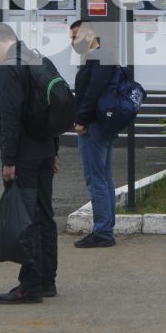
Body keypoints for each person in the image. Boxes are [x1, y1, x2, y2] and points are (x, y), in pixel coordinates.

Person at [0, 25, 61, 303]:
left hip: (25, 157)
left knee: (26, 218)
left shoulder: (10, 66)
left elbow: (9, 116)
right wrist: (54, 151)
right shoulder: (39, 60)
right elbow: (55, 109)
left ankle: (29, 286)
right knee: (45, 216)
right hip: (44, 151)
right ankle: (47, 281)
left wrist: (8, 160)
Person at [69, 18, 119, 249]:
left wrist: (81, 120)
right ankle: (106, 229)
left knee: (96, 180)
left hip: (94, 127)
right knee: (104, 178)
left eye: (75, 36)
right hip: (101, 126)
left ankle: (102, 232)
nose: (72, 42)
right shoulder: (99, 58)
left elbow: (92, 93)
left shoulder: (99, 58)